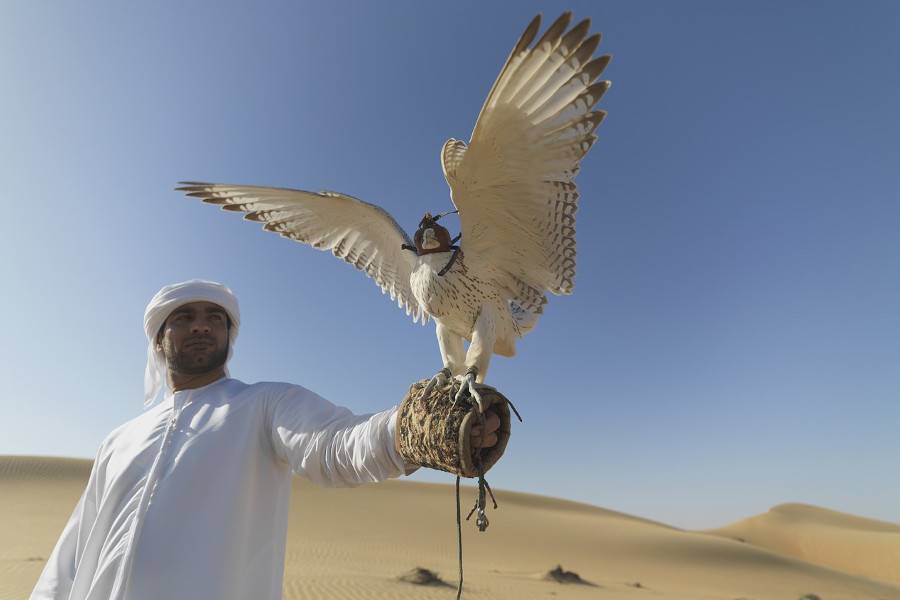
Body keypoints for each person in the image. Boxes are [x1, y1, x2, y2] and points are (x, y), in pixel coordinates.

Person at [31, 279, 501, 600]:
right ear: (158, 339)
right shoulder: (119, 439)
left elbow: (334, 446)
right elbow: (71, 551)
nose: (201, 325)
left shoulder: (264, 405)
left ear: (229, 336)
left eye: (216, 317)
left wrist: (409, 432)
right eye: (184, 317)